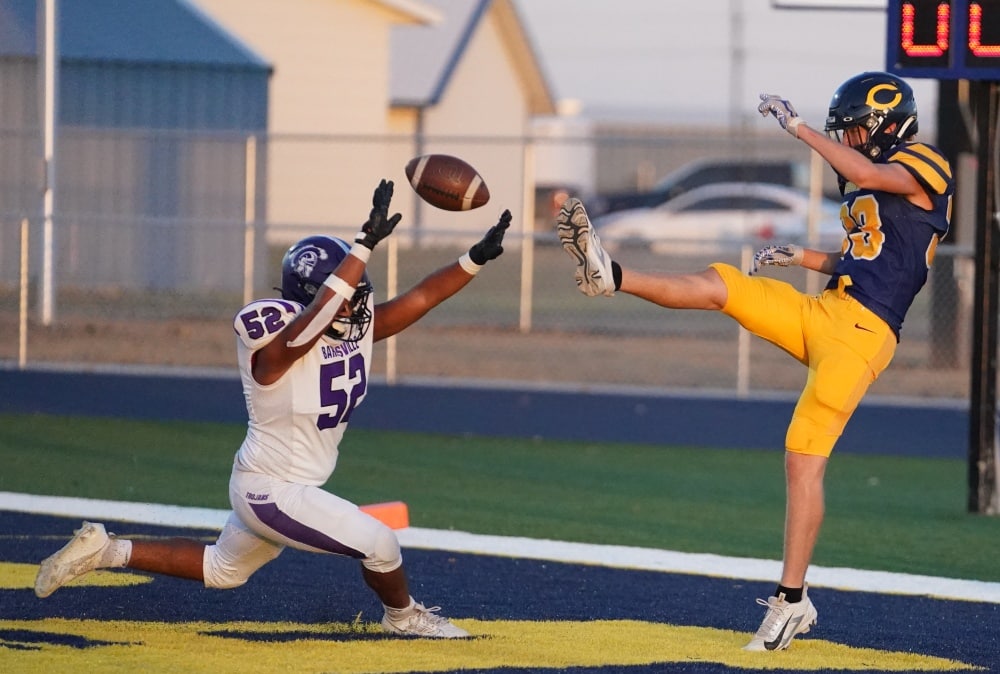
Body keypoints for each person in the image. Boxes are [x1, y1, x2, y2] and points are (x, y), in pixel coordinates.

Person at [556, 71, 953, 651]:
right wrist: (805, 257)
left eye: (857, 128)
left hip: (863, 334)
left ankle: (791, 602)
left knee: (802, 458)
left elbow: (867, 176)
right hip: (829, 308)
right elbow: (867, 258)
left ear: (892, 123)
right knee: (725, 285)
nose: (850, 139)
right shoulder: (870, 179)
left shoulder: (928, 163)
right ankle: (610, 275)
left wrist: (798, 129)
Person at [35, 178, 512, 639]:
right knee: (380, 543)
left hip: (283, 482)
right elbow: (305, 331)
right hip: (270, 489)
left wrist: (474, 259)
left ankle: (104, 549)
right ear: (311, 298)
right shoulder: (273, 339)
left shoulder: (350, 325)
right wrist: (361, 247)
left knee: (223, 570)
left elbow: (421, 297)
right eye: (343, 295)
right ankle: (403, 617)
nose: (354, 305)